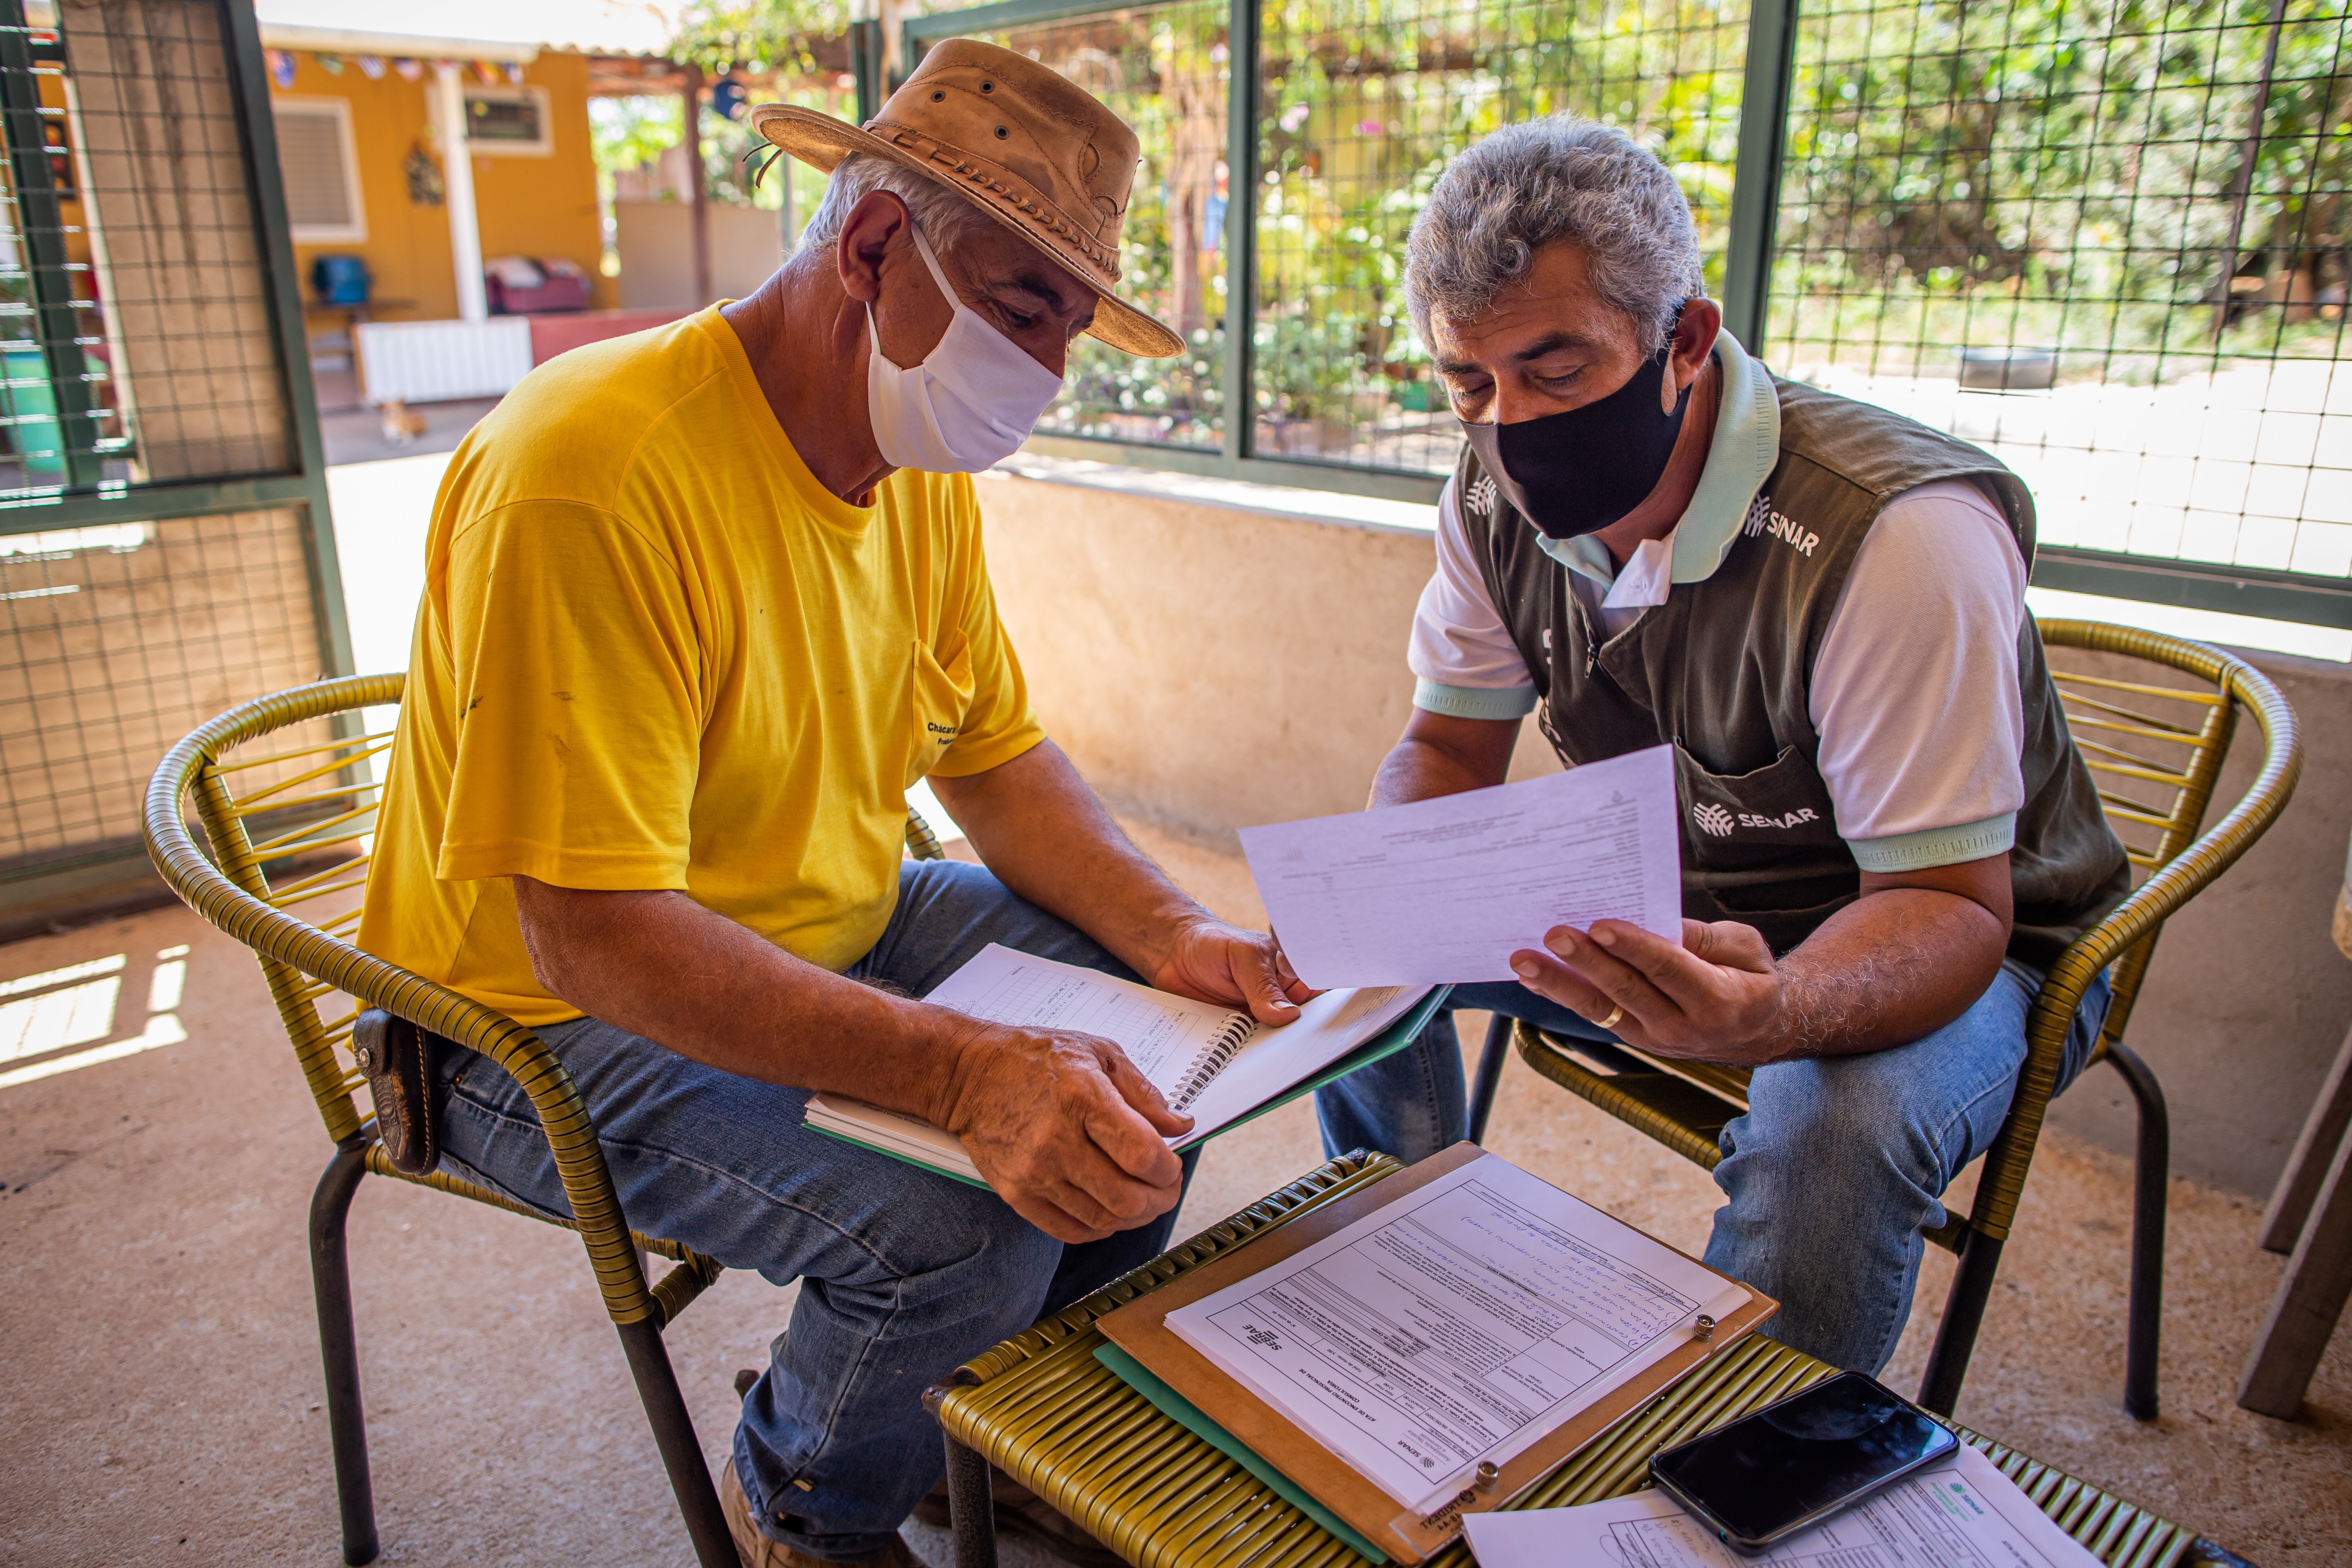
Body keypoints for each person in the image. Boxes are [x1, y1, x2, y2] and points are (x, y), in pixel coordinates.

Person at [356, 41, 1309, 1568]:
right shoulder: (591, 474)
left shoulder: (904, 448)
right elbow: (592, 938)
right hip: (515, 1020)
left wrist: (1175, 928)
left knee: (1158, 1050)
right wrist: (960, 1076)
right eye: (1020, 312)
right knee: (961, 1227)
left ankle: (962, 1424)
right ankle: (813, 1491)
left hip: (821, 915)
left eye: (1066, 334)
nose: (1044, 378)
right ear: (873, 246)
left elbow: (993, 757)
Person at [1315, 116, 2130, 1376]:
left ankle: (1745, 1474)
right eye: (1468, 384)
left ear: (1683, 342)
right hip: (1680, 906)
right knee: (1348, 949)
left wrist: (1775, 1009)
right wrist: (1393, 890)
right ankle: (1403, 1292)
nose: (1508, 424)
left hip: (1978, 942)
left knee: (1826, 1122)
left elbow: (1946, 907)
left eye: (1556, 368)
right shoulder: (1486, 497)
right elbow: (1443, 749)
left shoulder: (1892, 538)